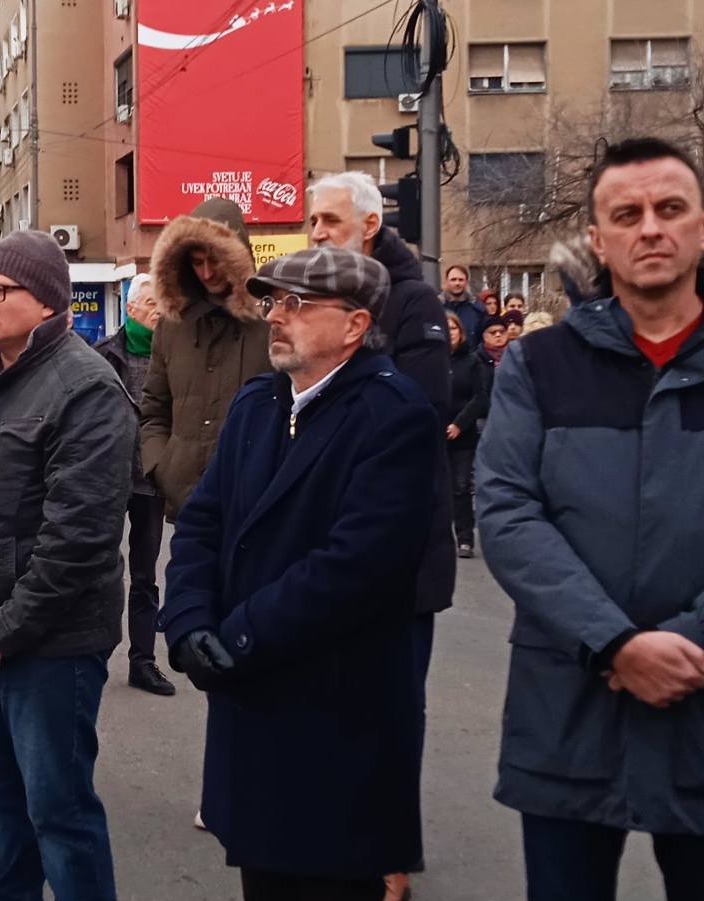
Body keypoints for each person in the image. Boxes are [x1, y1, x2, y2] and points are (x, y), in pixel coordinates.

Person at [476, 137, 704, 901]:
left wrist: (690, 639)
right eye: (628, 214)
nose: (651, 228)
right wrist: (612, 641)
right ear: (599, 238)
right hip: (570, 706)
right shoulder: (541, 366)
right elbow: (508, 513)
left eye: (670, 209)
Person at [159, 246, 437, 901]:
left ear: (354, 326)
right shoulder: (259, 403)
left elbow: (356, 568)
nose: (276, 316)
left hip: (336, 713)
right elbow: (203, 521)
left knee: (329, 880)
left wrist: (241, 637)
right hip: (254, 706)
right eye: (273, 301)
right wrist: (190, 621)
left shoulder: (393, 414)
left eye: (296, 303)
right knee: (264, 877)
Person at [0, 230, 133, 901]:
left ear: (45, 302)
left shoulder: (87, 387)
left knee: (58, 810)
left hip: (50, 640)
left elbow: (81, 534)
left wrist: (11, 623)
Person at [308, 170, 455, 899]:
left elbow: (418, 419)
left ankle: (392, 856)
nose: (315, 233)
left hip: (401, 555)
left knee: (393, 707)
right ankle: (343, 831)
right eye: (311, 222)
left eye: (328, 221)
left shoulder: (414, 299)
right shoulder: (326, 299)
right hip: (330, 541)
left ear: (367, 226)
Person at [141, 196, 272, 522]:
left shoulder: (273, 321)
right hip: (188, 505)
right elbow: (153, 409)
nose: (207, 272)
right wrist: (163, 467)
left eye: (215, 259)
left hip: (259, 507)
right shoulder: (172, 326)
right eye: (197, 262)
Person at [93, 274, 173, 697]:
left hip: (151, 480)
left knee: (145, 574)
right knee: (99, 567)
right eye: (152, 303)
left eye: (163, 303)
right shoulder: (104, 355)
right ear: (131, 309)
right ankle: (91, 656)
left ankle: (143, 661)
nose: (159, 309)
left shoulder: (174, 354)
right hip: (108, 477)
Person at [446, 315, 491, 559]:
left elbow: (480, 398)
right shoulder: (433, 360)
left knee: (461, 488)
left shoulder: (472, 361)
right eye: (445, 328)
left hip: (462, 436)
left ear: (461, 332)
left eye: (453, 327)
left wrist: (459, 424)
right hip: (436, 433)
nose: (450, 332)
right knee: (438, 489)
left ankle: (465, 539)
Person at [439, 264, 488, 345]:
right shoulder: (436, 307)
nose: (457, 283)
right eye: (453, 280)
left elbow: (483, 340)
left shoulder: (478, 309)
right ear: (446, 281)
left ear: (466, 282)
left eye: (461, 280)